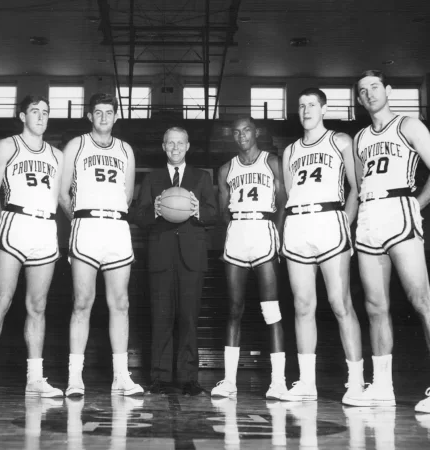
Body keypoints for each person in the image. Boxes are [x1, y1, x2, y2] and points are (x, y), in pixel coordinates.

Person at [344, 70, 430, 413]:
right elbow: (360, 186)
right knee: (375, 307)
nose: (369, 94)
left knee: (421, 299)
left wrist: (415, 205)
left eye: (375, 87)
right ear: (359, 100)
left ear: (388, 90)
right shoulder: (361, 137)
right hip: (369, 217)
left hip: (399, 210)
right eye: (363, 91)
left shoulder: (408, 125)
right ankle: (381, 387)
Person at [0, 95, 63, 400]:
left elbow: (62, 198)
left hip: (46, 227)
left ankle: (35, 379)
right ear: (22, 115)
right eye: (35, 111)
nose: (41, 116)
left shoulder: (58, 156)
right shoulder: (8, 146)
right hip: (15, 221)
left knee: (38, 306)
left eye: (45, 112)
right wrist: (3, 228)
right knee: (2, 300)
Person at [279, 88, 363, 403]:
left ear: (324, 108)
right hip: (298, 224)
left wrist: (346, 222)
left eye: (312, 104)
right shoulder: (289, 151)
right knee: (302, 306)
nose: (306, 110)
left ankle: (356, 382)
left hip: (330, 220)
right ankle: (306, 383)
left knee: (340, 304)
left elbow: (358, 186)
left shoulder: (340, 140)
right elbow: (288, 196)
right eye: (301, 106)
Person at [59, 93, 143, 397]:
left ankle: (121, 376)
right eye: (98, 112)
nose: (104, 117)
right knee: (82, 302)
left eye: (109, 112)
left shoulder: (126, 150)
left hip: (117, 227)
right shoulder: (76, 145)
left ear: (116, 116)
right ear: (89, 116)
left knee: (120, 303)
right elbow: (62, 192)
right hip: (86, 225)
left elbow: (129, 195)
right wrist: (78, 219)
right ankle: (75, 377)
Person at [134, 127, 217, 396]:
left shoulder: (202, 178)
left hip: (192, 257)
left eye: (180, 143)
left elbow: (214, 214)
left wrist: (198, 211)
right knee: (161, 319)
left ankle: (188, 378)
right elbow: (139, 214)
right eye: (170, 143)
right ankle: (159, 377)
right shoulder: (152, 179)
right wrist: (156, 211)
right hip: (161, 255)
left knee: (189, 319)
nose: (175, 147)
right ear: (163, 146)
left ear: (188, 146)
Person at [210, 116, 288, 399]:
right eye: (236, 131)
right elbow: (222, 211)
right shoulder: (225, 168)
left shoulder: (272, 162)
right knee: (234, 309)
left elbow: (282, 203)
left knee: (271, 310)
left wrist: (276, 236)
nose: (241, 135)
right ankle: (229, 382)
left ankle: (278, 382)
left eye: (246, 130)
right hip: (237, 234)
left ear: (256, 132)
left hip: (264, 230)